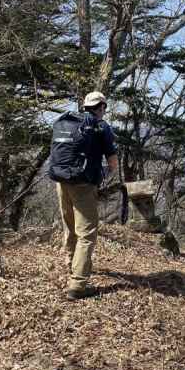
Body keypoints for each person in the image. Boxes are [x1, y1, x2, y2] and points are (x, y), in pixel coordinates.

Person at [55, 91, 118, 301]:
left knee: (70, 227)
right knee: (87, 234)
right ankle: (78, 285)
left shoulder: (68, 120)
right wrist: (104, 175)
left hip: (61, 181)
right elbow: (112, 162)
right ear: (100, 106)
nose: (104, 111)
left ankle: (72, 266)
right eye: (104, 108)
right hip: (83, 184)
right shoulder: (102, 127)